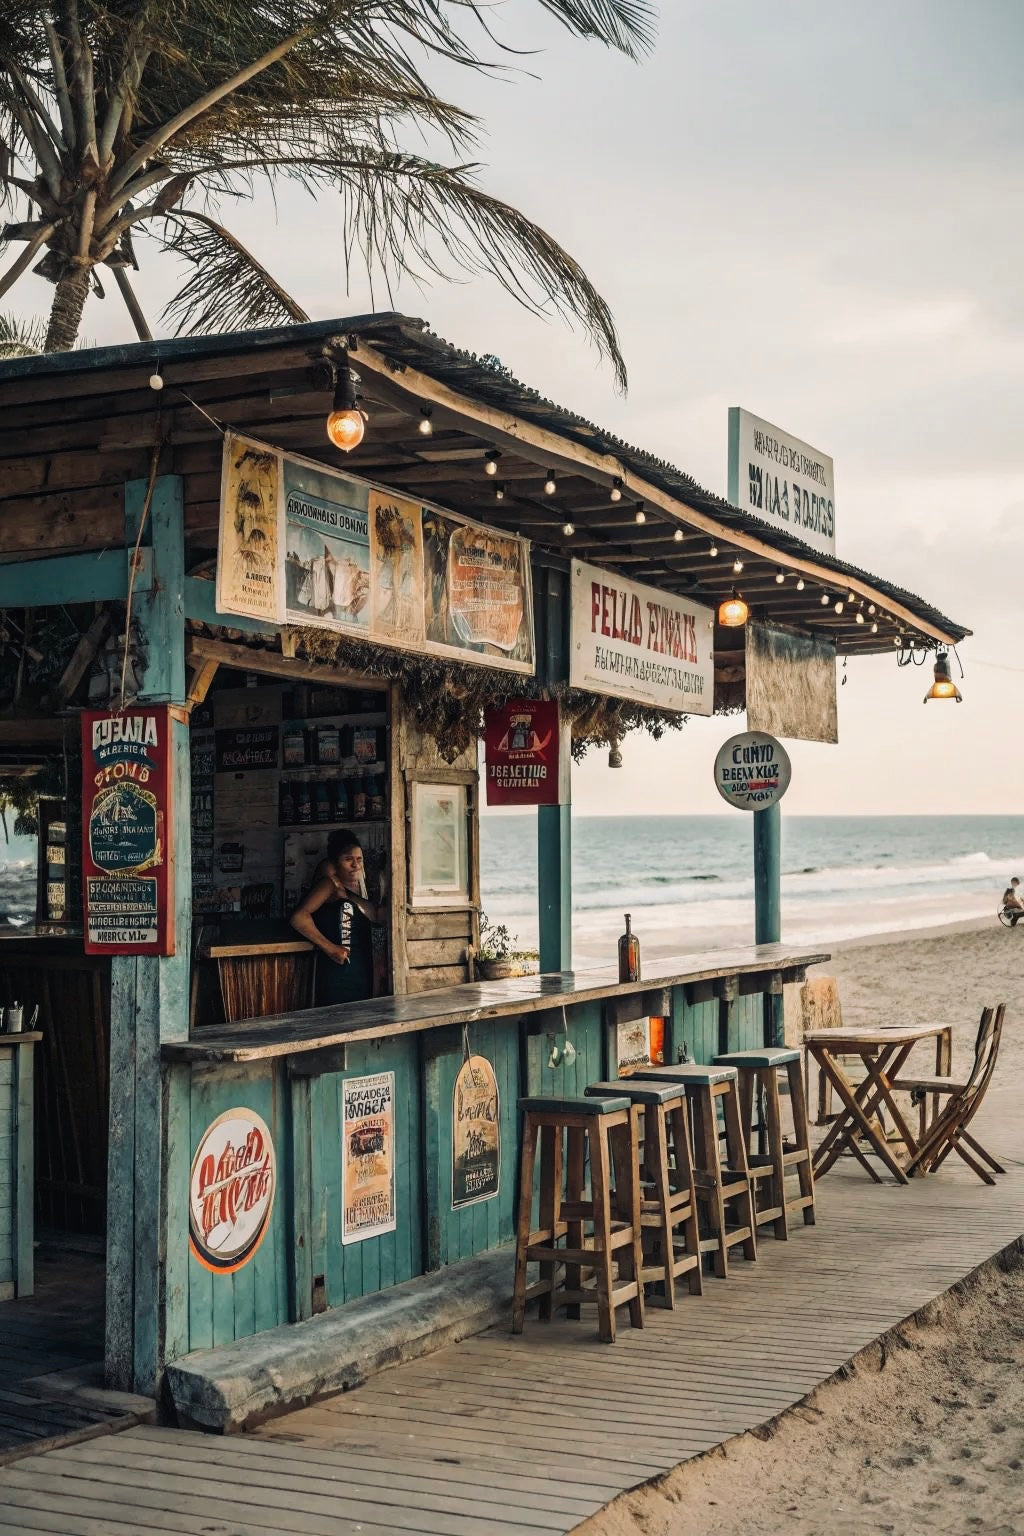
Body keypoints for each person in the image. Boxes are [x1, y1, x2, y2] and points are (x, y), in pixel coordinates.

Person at [290, 832, 387, 1005]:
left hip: (363, 973)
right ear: (335, 863)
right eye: (348, 859)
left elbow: (378, 918)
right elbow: (299, 918)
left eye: (359, 859)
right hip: (337, 974)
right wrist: (330, 948)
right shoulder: (329, 887)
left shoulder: (360, 894)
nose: (355, 865)